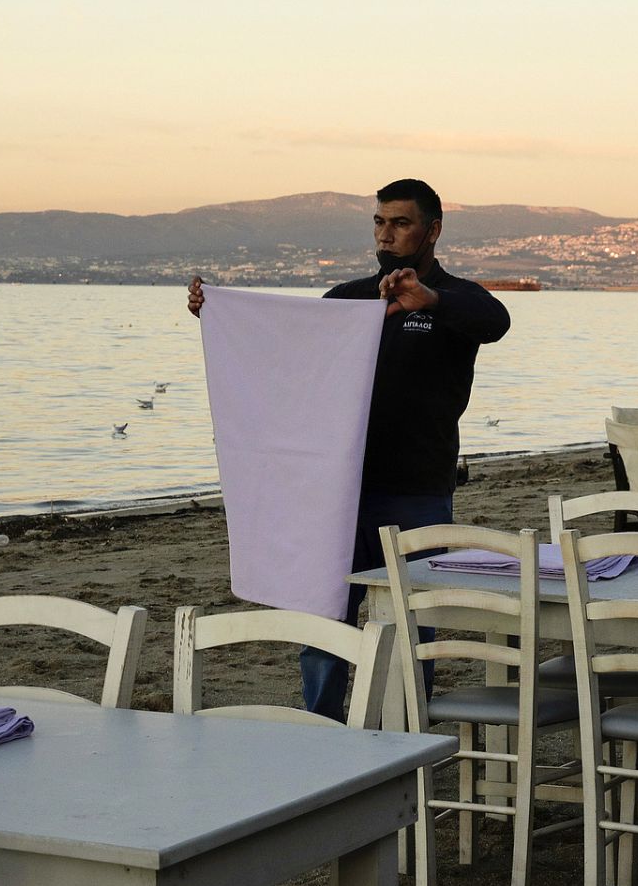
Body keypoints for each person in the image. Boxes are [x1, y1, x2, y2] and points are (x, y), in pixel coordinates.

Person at [187, 178, 511, 721]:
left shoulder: (456, 299)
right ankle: (322, 727)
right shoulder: (347, 299)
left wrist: (428, 299)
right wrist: (218, 316)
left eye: (401, 223)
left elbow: (495, 322)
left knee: (412, 623)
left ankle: (405, 730)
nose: (387, 234)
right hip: (335, 490)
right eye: (380, 223)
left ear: (432, 230)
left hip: (417, 491)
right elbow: (288, 350)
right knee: (325, 620)